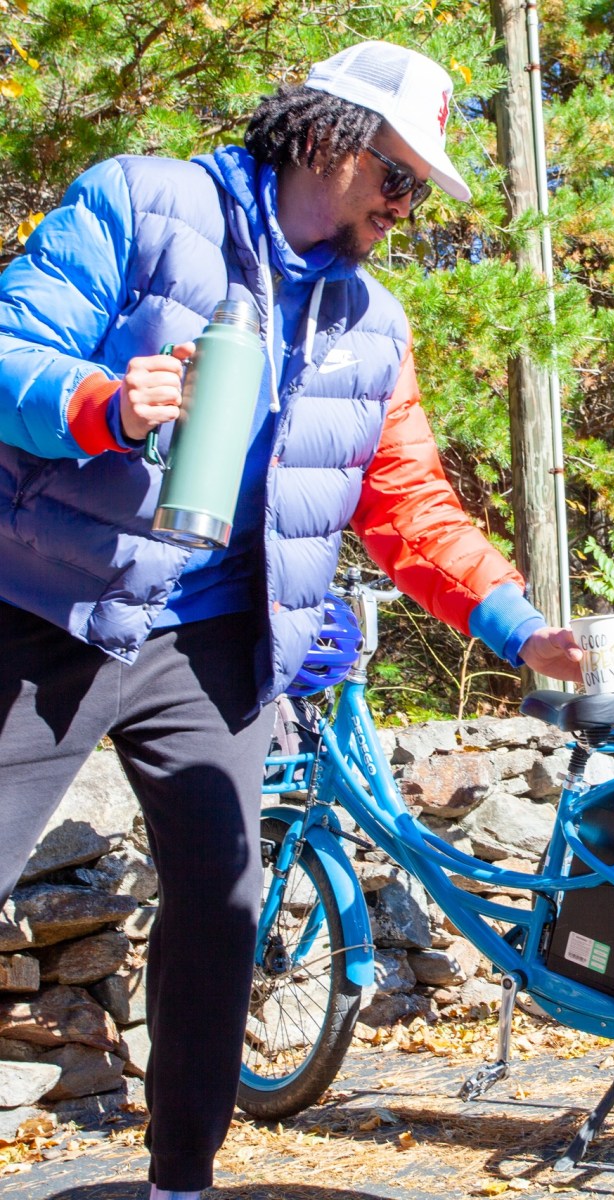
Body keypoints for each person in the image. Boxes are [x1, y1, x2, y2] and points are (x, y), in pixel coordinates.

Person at [0, 40, 581, 1200]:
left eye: (419, 191)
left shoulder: (373, 324)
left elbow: (411, 507)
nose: (406, 211)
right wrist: (98, 404)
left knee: (223, 903)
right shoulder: (139, 202)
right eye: (400, 181)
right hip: (45, 604)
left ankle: (179, 1182)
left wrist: (521, 628)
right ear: (331, 140)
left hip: (211, 639)